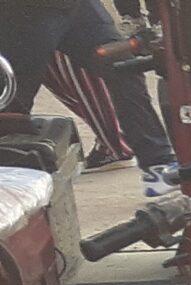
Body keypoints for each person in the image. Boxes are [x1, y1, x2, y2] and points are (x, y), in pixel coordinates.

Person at [0, 0, 179, 195]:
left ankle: (157, 164)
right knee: (12, 100)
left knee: (124, 68)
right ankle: (10, 189)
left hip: (79, 7)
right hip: (23, 13)